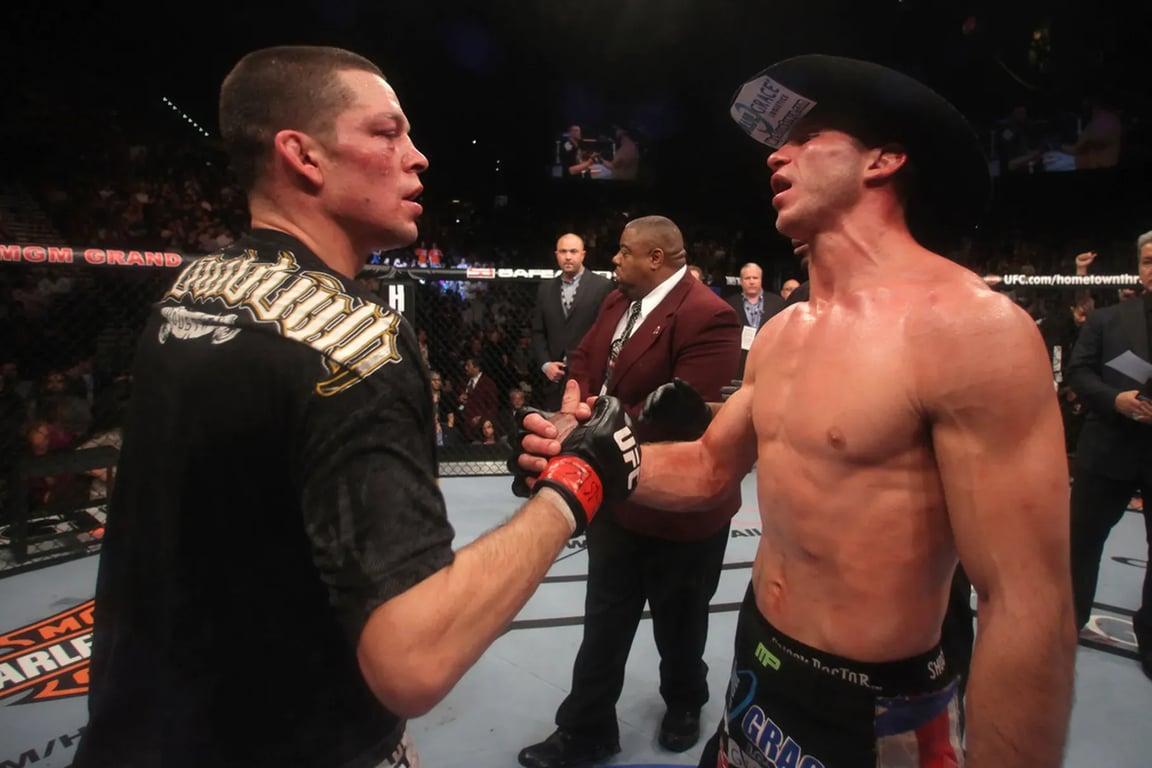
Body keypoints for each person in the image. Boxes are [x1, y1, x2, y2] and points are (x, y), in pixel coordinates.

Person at [517, 55, 1075, 768]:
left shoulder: (970, 329)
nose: (777, 155)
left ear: (883, 159)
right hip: (759, 663)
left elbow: (1027, 604)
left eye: (809, 138)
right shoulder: (784, 333)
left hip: (875, 701)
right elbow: (709, 467)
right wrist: (583, 458)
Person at [74, 45, 609, 768]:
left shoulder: (191, 290)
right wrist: (573, 486)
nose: (418, 157)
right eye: (387, 133)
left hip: (140, 730)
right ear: (303, 156)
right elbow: (414, 658)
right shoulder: (357, 342)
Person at [518, 215, 742, 768]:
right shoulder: (619, 300)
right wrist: (573, 408)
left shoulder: (709, 315)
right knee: (604, 618)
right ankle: (585, 729)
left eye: (623, 252)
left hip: (679, 504)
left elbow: (688, 417)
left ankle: (685, 702)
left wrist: (592, 431)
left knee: (680, 621)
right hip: (615, 500)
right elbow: (584, 359)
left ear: (655, 258)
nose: (614, 260)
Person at [1066, 230, 1152, 679]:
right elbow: (1079, 372)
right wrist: (1114, 400)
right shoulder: (1108, 320)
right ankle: (1067, 623)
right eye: (1148, 261)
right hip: (1107, 449)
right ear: (1138, 268)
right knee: (1082, 542)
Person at [531, 233, 614, 409]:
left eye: (573, 251)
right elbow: (538, 331)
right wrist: (546, 364)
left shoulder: (602, 286)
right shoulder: (545, 289)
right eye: (563, 251)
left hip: (589, 376)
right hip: (554, 379)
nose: (568, 256)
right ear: (556, 255)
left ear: (583, 255)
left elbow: (606, 331)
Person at [726, 262, 785, 376]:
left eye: (755, 278)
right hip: (739, 365)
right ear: (741, 281)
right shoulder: (730, 304)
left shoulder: (778, 303)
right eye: (747, 278)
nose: (751, 281)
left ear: (761, 280)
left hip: (769, 363)